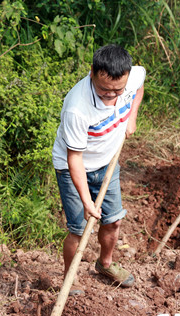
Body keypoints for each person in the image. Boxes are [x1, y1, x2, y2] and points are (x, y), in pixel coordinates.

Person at [52, 44, 145, 295]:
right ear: (92, 72)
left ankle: (105, 264)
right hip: (74, 167)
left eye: (118, 90)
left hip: (107, 162)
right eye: (104, 90)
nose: (111, 96)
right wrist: (87, 202)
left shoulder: (132, 76)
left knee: (113, 221)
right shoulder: (76, 108)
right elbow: (75, 158)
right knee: (79, 229)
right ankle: (68, 278)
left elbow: (140, 84)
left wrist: (132, 116)